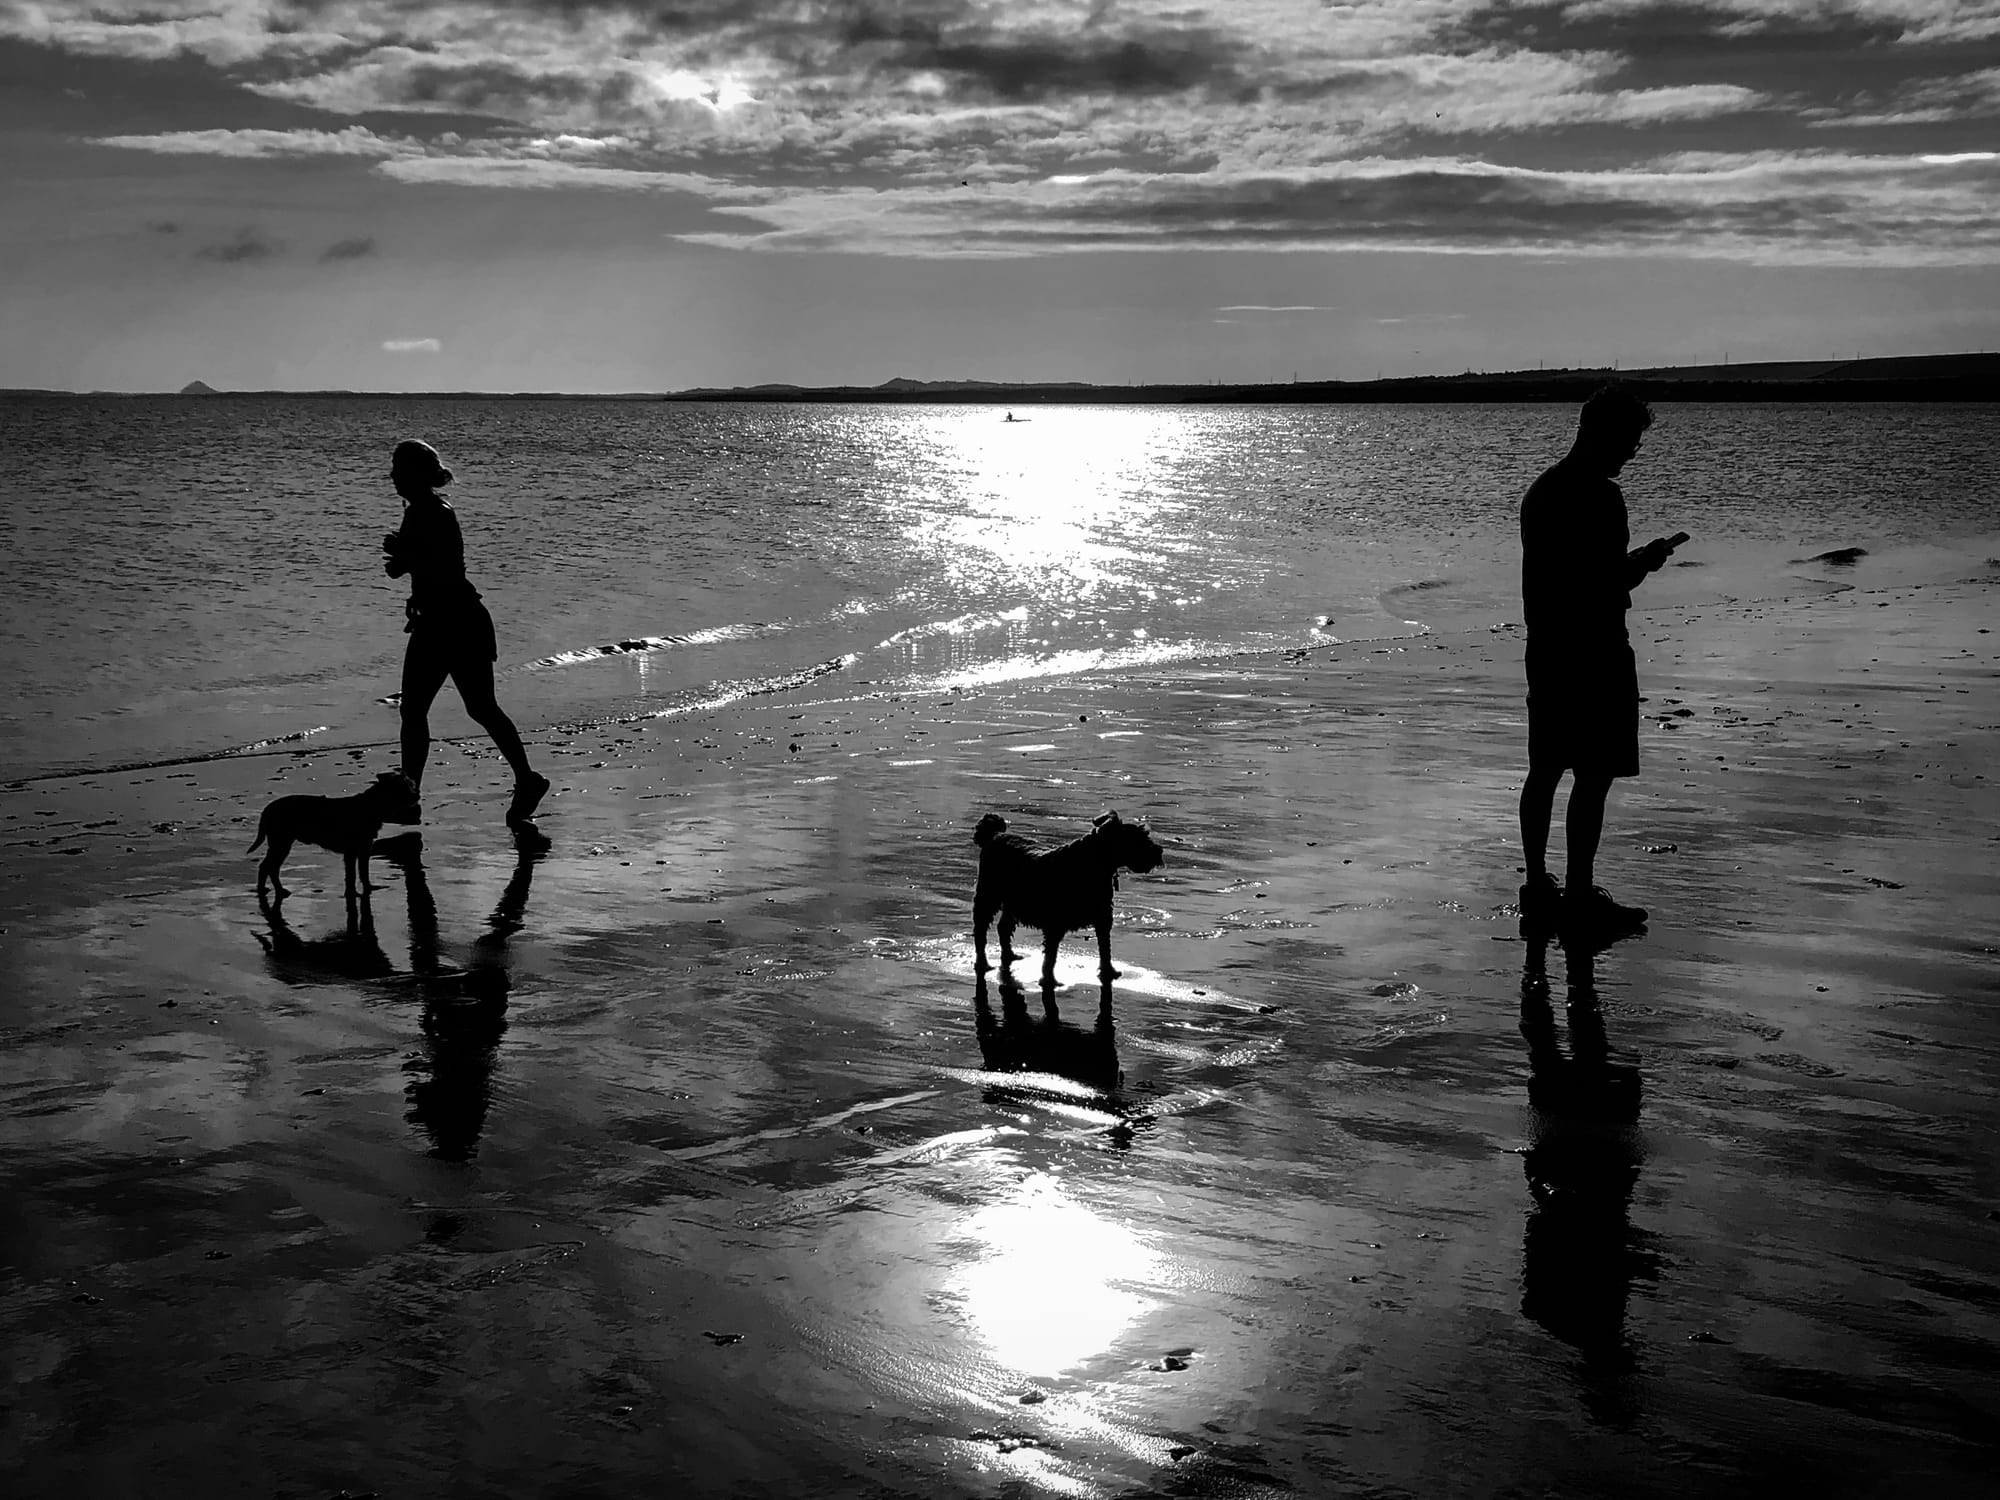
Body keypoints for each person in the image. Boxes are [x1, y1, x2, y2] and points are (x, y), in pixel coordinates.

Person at [1517, 387, 1684, 936]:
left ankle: (1539, 885)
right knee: (1592, 776)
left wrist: (1627, 564)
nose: (1631, 453)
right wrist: (1646, 562)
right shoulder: (1602, 499)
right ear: (1601, 435)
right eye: (1629, 442)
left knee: (1545, 769)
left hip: (1547, 645)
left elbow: (1567, 575)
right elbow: (1605, 580)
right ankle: (1581, 893)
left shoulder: (1542, 492)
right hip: (1597, 648)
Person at [382, 439, 549, 826]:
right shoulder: (419, 511)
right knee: (428, 710)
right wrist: (405, 568)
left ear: (416, 475)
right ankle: (414, 799)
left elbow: (443, 568)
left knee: (467, 708)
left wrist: (405, 558)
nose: (393, 477)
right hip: (443, 620)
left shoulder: (435, 511)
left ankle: (524, 780)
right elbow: (426, 566)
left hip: (454, 622)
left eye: (399, 470)